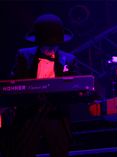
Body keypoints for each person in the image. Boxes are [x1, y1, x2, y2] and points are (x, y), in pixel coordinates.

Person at [3, 13, 80, 157]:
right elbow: (13, 83)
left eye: (54, 45)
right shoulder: (24, 56)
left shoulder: (69, 60)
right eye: (47, 45)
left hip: (56, 114)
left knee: (60, 151)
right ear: (39, 42)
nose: (50, 49)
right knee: (23, 151)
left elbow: (75, 87)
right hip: (29, 113)